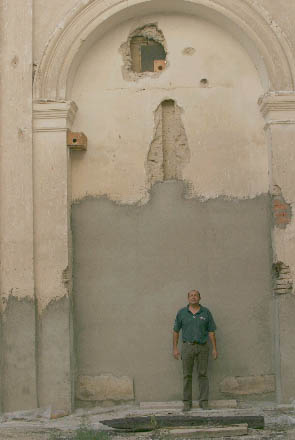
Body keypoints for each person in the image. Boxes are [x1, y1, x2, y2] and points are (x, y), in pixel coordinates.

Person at [173, 289, 218, 411]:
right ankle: (187, 403)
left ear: (200, 298)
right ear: (188, 298)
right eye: (191, 295)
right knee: (187, 375)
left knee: (202, 374)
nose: (193, 297)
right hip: (187, 347)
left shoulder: (206, 312)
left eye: (196, 295)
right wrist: (175, 348)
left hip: (203, 347)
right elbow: (176, 331)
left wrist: (214, 348)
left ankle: (204, 402)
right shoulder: (182, 313)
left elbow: (211, 332)